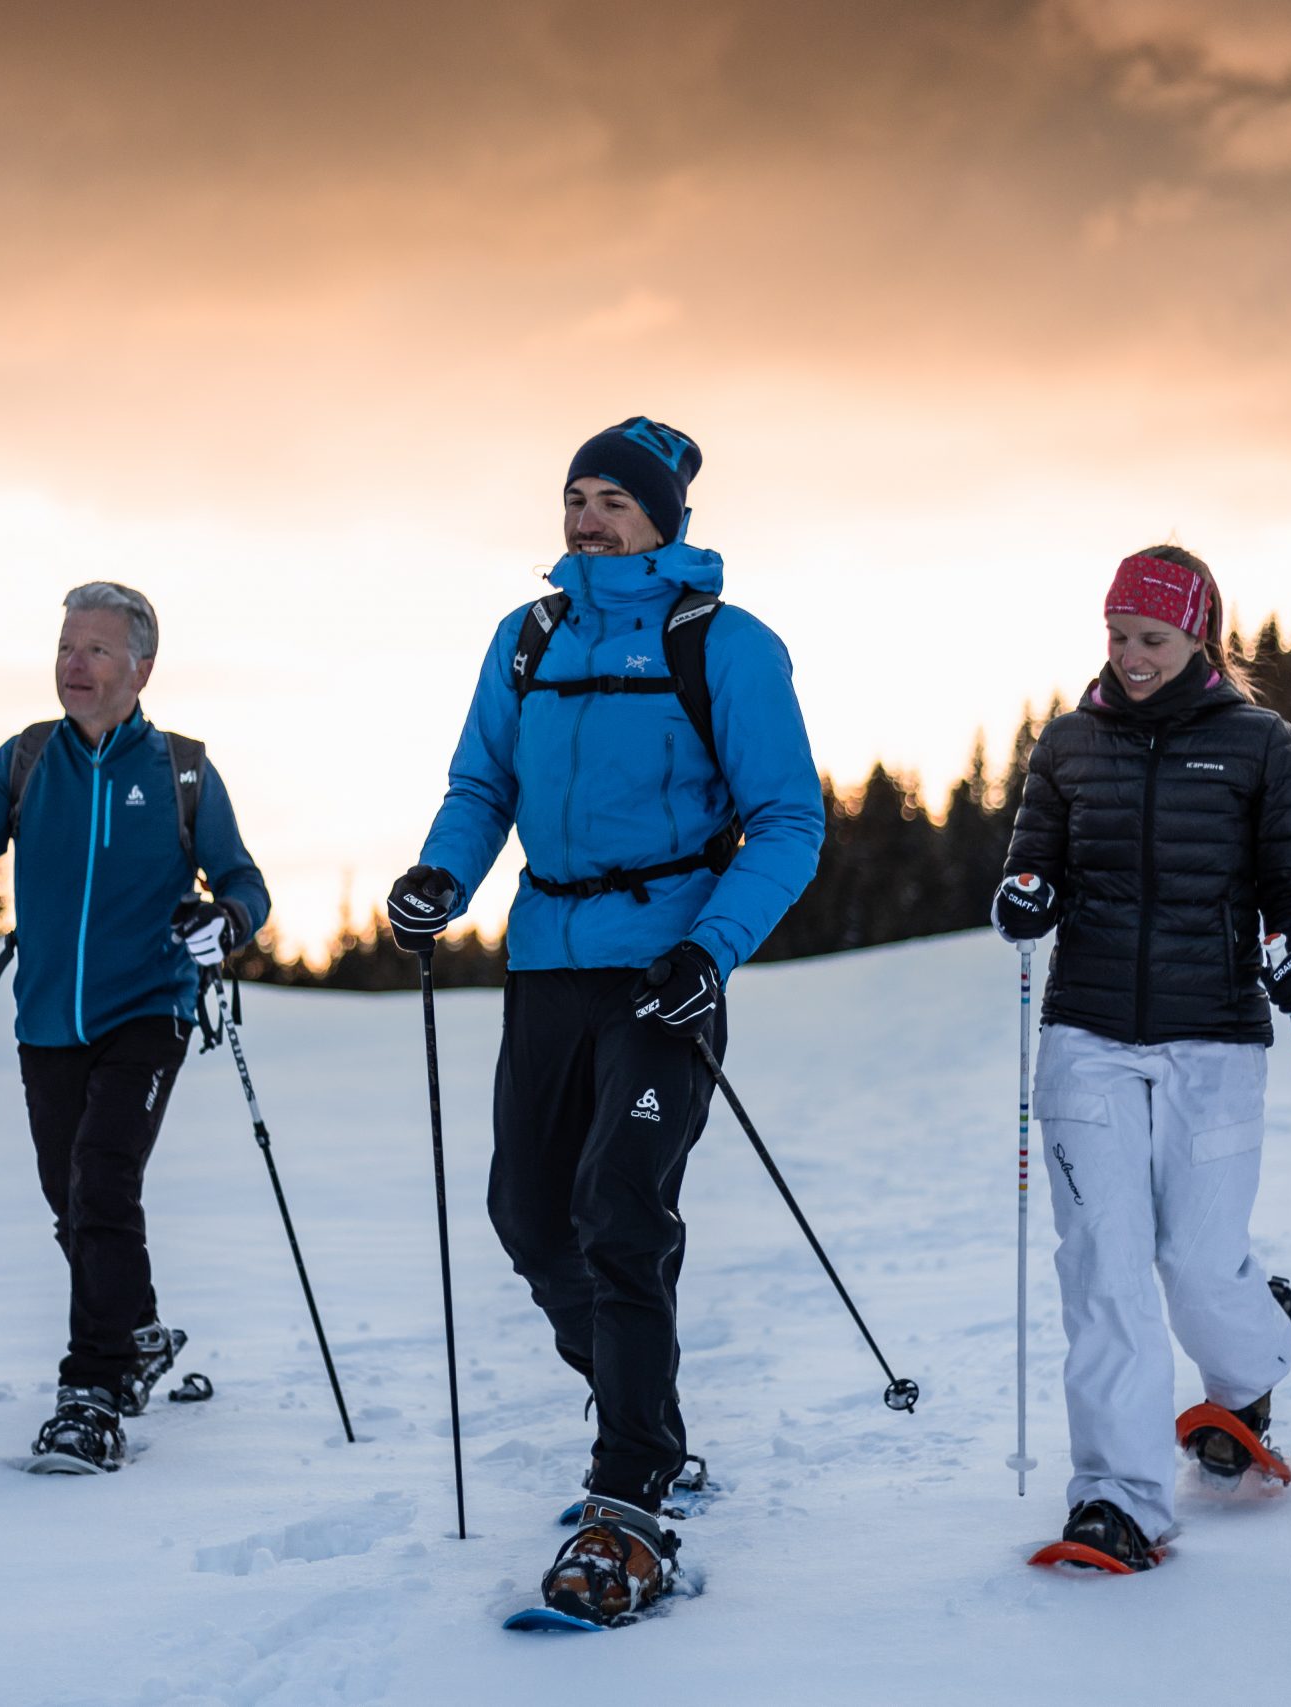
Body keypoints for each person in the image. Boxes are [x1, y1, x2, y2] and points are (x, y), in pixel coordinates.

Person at [388, 417, 824, 1624]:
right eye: (575, 496)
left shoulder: (724, 646)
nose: (586, 517)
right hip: (545, 963)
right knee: (528, 1212)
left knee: (620, 1209)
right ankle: (650, 1418)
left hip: (662, 971)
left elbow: (788, 820)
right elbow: (483, 785)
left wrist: (708, 950)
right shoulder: (526, 637)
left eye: (612, 501)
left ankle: (627, 1496)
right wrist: (443, 875)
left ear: (662, 519)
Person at [0, 581, 269, 1474]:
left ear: (141, 666)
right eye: (67, 646)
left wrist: (222, 922)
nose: (74, 664)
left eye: (96, 649)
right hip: (46, 1017)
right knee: (70, 1196)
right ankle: (138, 1331)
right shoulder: (28, 759)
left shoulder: (182, 771)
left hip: (150, 1008)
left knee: (102, 1177)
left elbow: (244, 883)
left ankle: (93, 1392)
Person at [993, 544, 1291, 1570]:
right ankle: (1118, 1498)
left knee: (1193, 1264)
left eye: (1152, 638)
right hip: (1086, 1036)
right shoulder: (1066, 746)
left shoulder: (1258, 744)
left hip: (1214, 1040)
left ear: (1198, 637)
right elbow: (1028, 865)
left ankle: (1251, 1354)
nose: (1132, 657)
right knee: (1102, 1268)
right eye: (1118, 637)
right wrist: (1023, 898)